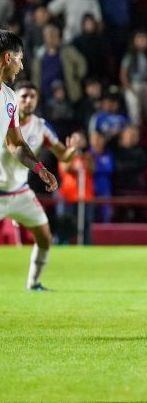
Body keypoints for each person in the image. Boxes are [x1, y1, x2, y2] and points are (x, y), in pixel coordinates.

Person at [0, 80, 79, 289]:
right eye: (23, 96)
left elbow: (63, 156)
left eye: (32, 97)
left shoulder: (40, 127)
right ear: (14, 98)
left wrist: (72, 152)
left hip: (20, 192)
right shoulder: (3, 118)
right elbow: (16, 149)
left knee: (44, 238)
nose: (28, 100)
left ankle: (33, 283)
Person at [0, 31, 59, 252]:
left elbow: (15, 143)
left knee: (44, 237)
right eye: (19, 59)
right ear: (7, 58)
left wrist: (39, 168)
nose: (21, 67)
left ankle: (34, 284)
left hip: (14, 188)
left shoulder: (9, 98)